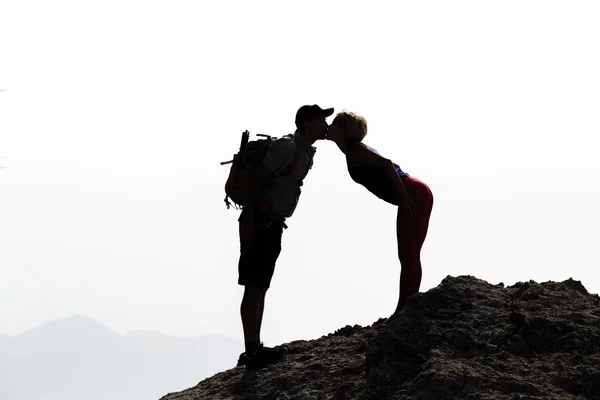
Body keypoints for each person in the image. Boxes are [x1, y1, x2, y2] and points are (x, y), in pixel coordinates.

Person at [236, 104, 333, 368]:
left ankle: (254, 346)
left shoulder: (301, 149)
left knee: (260, 285)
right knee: (254, 286)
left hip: (272, 223)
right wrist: (255, 214)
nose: (326, 125)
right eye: (321, 120)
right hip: (261, 223)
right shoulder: (287, 148)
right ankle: (252, 350)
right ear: (307, 122)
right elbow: (258, 177)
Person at [326, 110, 434, 320]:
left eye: (334, 124)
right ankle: (408, 305)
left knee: (408, 254)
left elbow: (386, 163)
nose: (329, 126)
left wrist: (402, 195)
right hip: (414, 191)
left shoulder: (356, 150)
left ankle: (405, 308)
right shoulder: (353, 150)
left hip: (412, 192)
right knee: (409, 254)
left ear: (343, 130)